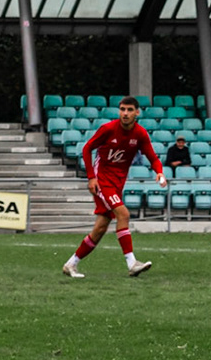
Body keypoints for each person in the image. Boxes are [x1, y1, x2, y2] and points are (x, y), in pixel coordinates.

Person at [62, 95, 163, 280]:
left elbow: (153, 158)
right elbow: (87, 149)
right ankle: (132, 263)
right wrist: (91, 177)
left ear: (137, 113)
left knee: (100, 229)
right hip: (102, 182)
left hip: (117, 184)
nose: (125, 113)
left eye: (129, 110)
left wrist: (159, 172)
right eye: (122, 109)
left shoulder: (140, 134)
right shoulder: (108, 129)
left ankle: (71, 264)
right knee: (123, 214)